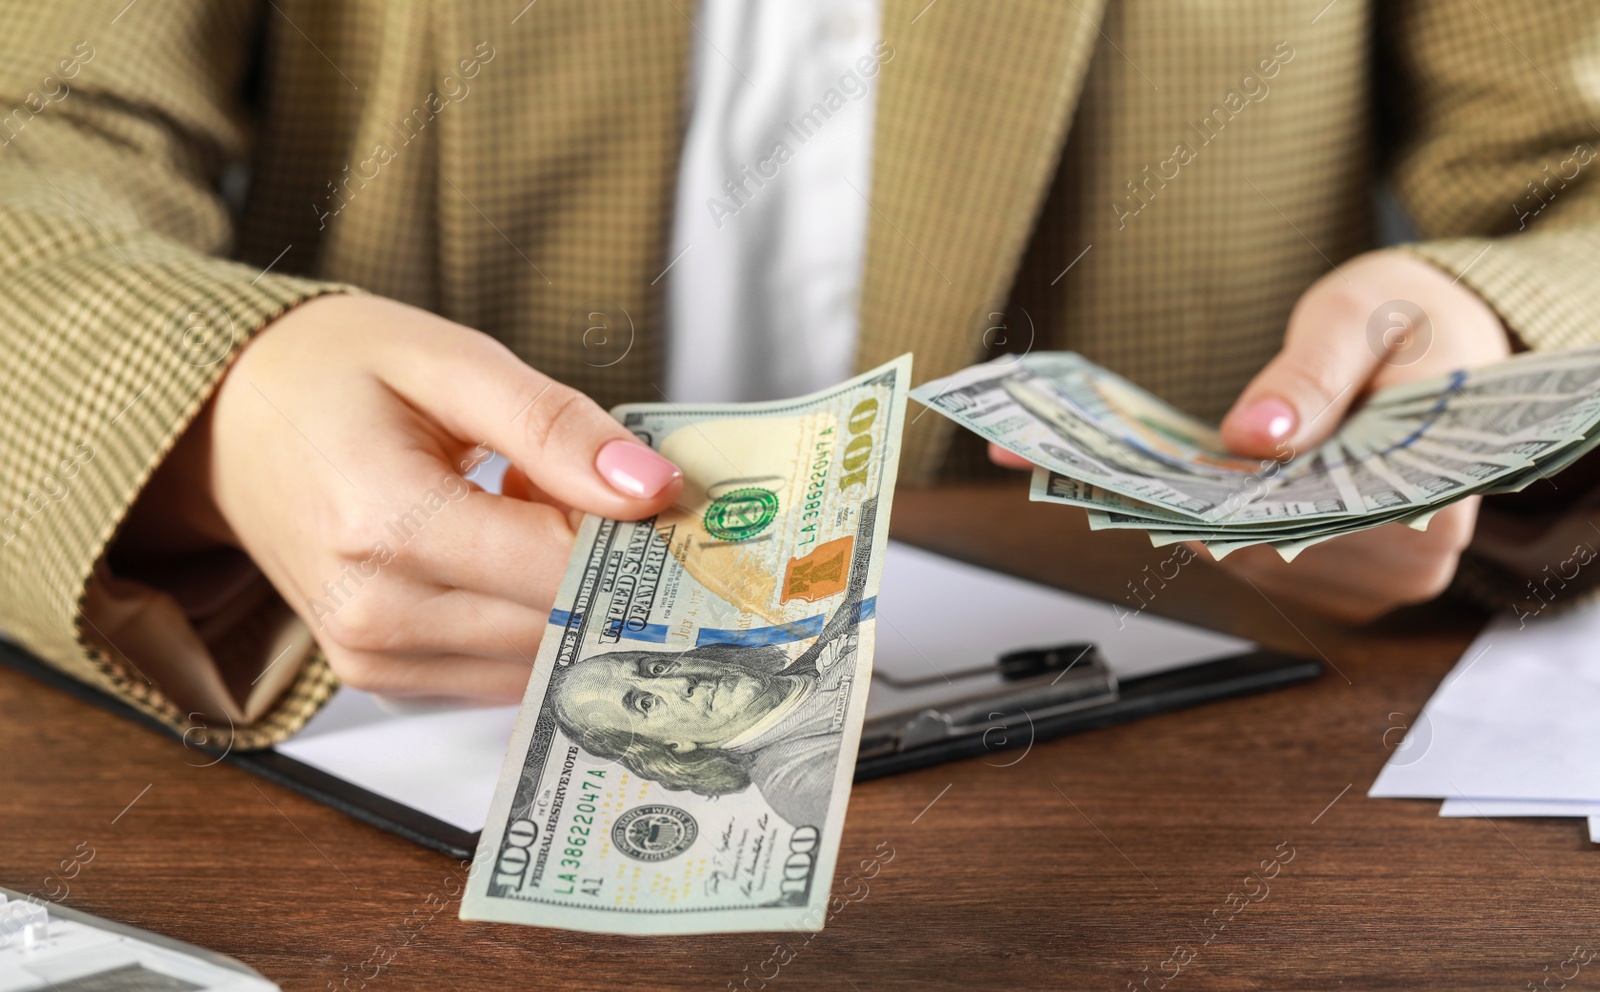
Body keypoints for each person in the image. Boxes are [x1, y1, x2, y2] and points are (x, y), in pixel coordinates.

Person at [0, 1, 1596, 748]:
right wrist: (213, 401)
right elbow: (35, 130)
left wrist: (1494, 343)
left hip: (1183, 763)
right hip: (349, 753)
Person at [549, 629, 858, 830]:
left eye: (655, 669)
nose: (681, 683)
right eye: (645, 703)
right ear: (672, 746)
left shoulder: (837, 629)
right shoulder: (797, 779)